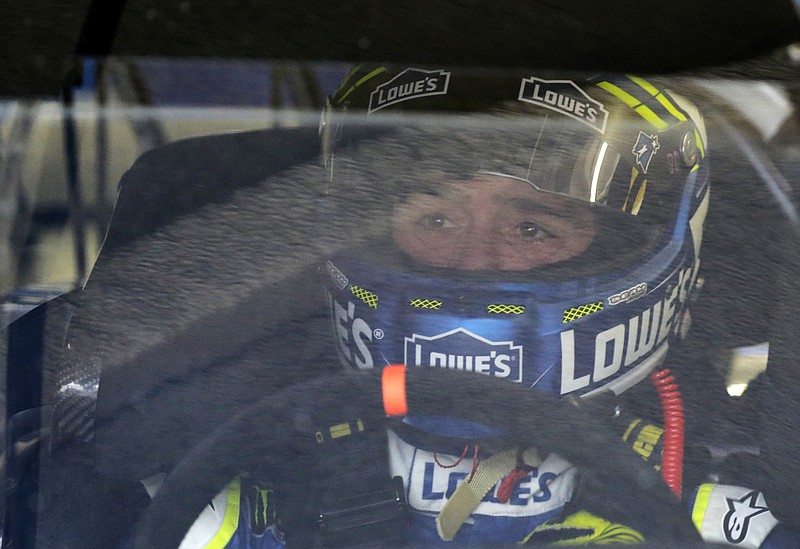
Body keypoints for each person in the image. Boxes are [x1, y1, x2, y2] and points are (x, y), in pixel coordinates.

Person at [174, 66, 798, 548]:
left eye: (532, 229)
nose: (472, 264)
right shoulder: (205, 485)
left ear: (630, 248)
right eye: (436, 219)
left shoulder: (753, 503)